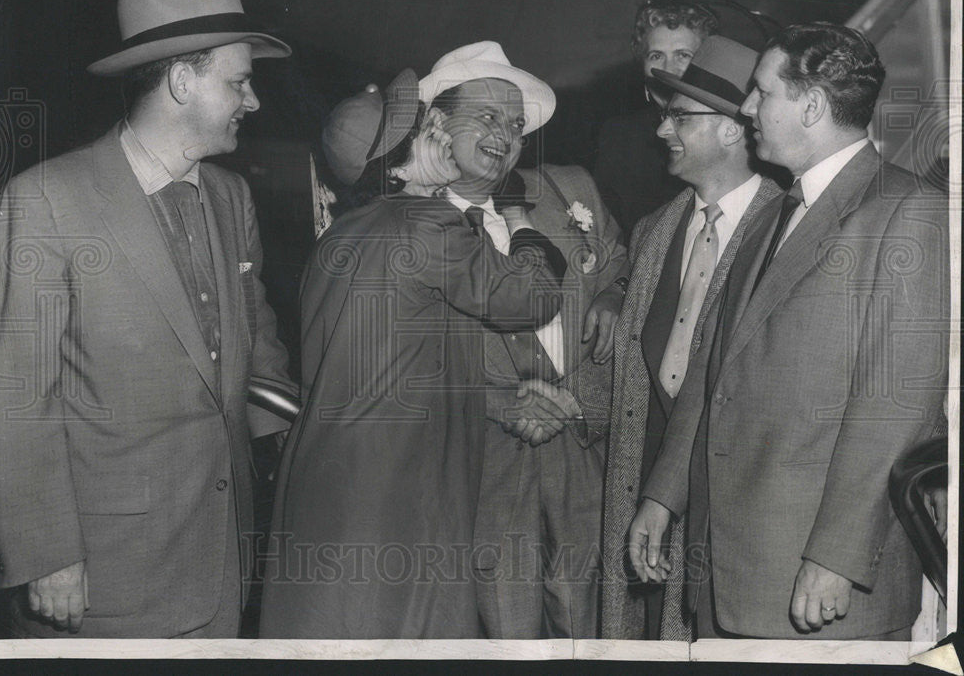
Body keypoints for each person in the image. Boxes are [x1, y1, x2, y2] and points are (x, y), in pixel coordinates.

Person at [0, 0, 299, 637]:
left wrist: (296, 450)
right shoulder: (47, 199)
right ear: (182, 81)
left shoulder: (230, 196)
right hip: (104, 577)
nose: (254, 101)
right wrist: (49, 555)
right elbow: (15, 397)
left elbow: (256, 338)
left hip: (224, 559)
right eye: (238, 82)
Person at [629, 23, 949, 640]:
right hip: (731, 573)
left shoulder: (906, 212)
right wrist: (663, 495)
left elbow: (895, 409)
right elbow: (712, 368)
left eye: (761, 92)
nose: (747, 107)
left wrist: (835, 557)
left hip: (818, 580)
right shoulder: (773, 212)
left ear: (812, 106)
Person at [258, 69, 567, 639]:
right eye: (430, 127)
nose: (445, 134)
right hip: (398, 490)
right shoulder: (425, 221)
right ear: (406, 152)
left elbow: (392, 364)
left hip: (330, 484)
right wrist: (524, 228)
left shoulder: (338, 236)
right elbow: (533, 298)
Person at [418, 41, 627, 638]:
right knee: (501, 630)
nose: (505, 135)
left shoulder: (568, 188)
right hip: (482, 462)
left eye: (514, 124)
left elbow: (620, 263)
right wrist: (494, 401)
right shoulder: (406, 221)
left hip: (583, 445)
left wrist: (611, 298)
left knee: (592, 626)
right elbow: (389, 361)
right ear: (436, 123)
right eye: (485, 117)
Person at [598, 35, 781, 640]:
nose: (661, 131)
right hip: (646, 485)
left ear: (733, 129)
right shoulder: (653, 232)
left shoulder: (788, 231)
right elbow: (631, 366)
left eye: (680, 116)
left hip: (736, 506)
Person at [593, 0, 719, 240]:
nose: (667, 69)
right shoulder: (619, 136)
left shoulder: (725, 130)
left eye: (683, 55)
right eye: (656, 56)